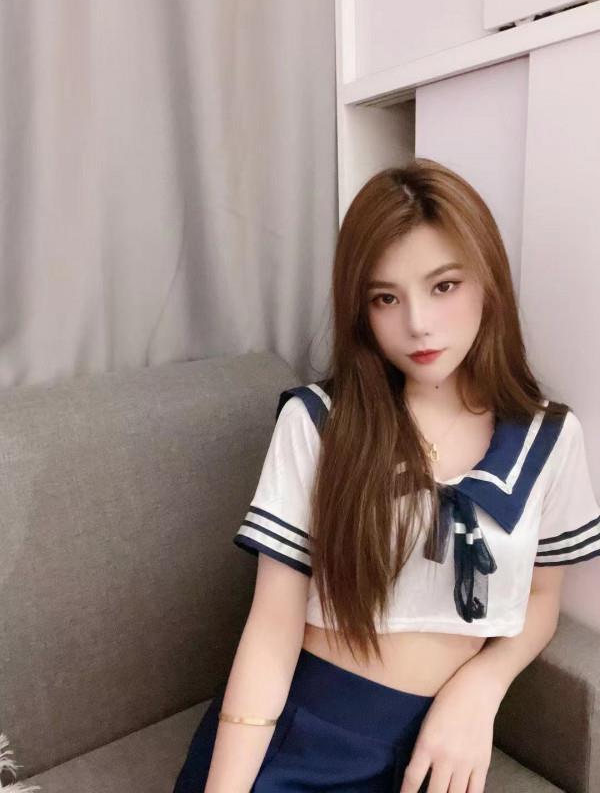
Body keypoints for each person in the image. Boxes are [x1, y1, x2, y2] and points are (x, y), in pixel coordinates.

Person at [172, 158, 600, 792]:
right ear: (362, 310)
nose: (417, 323)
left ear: (487, 281)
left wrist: (481, 686)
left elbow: (540, 598)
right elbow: (272, 625)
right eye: (386, 298)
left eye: (444, 286)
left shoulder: (549, 438)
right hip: (308, 735)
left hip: (441, 750)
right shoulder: (320, 422)